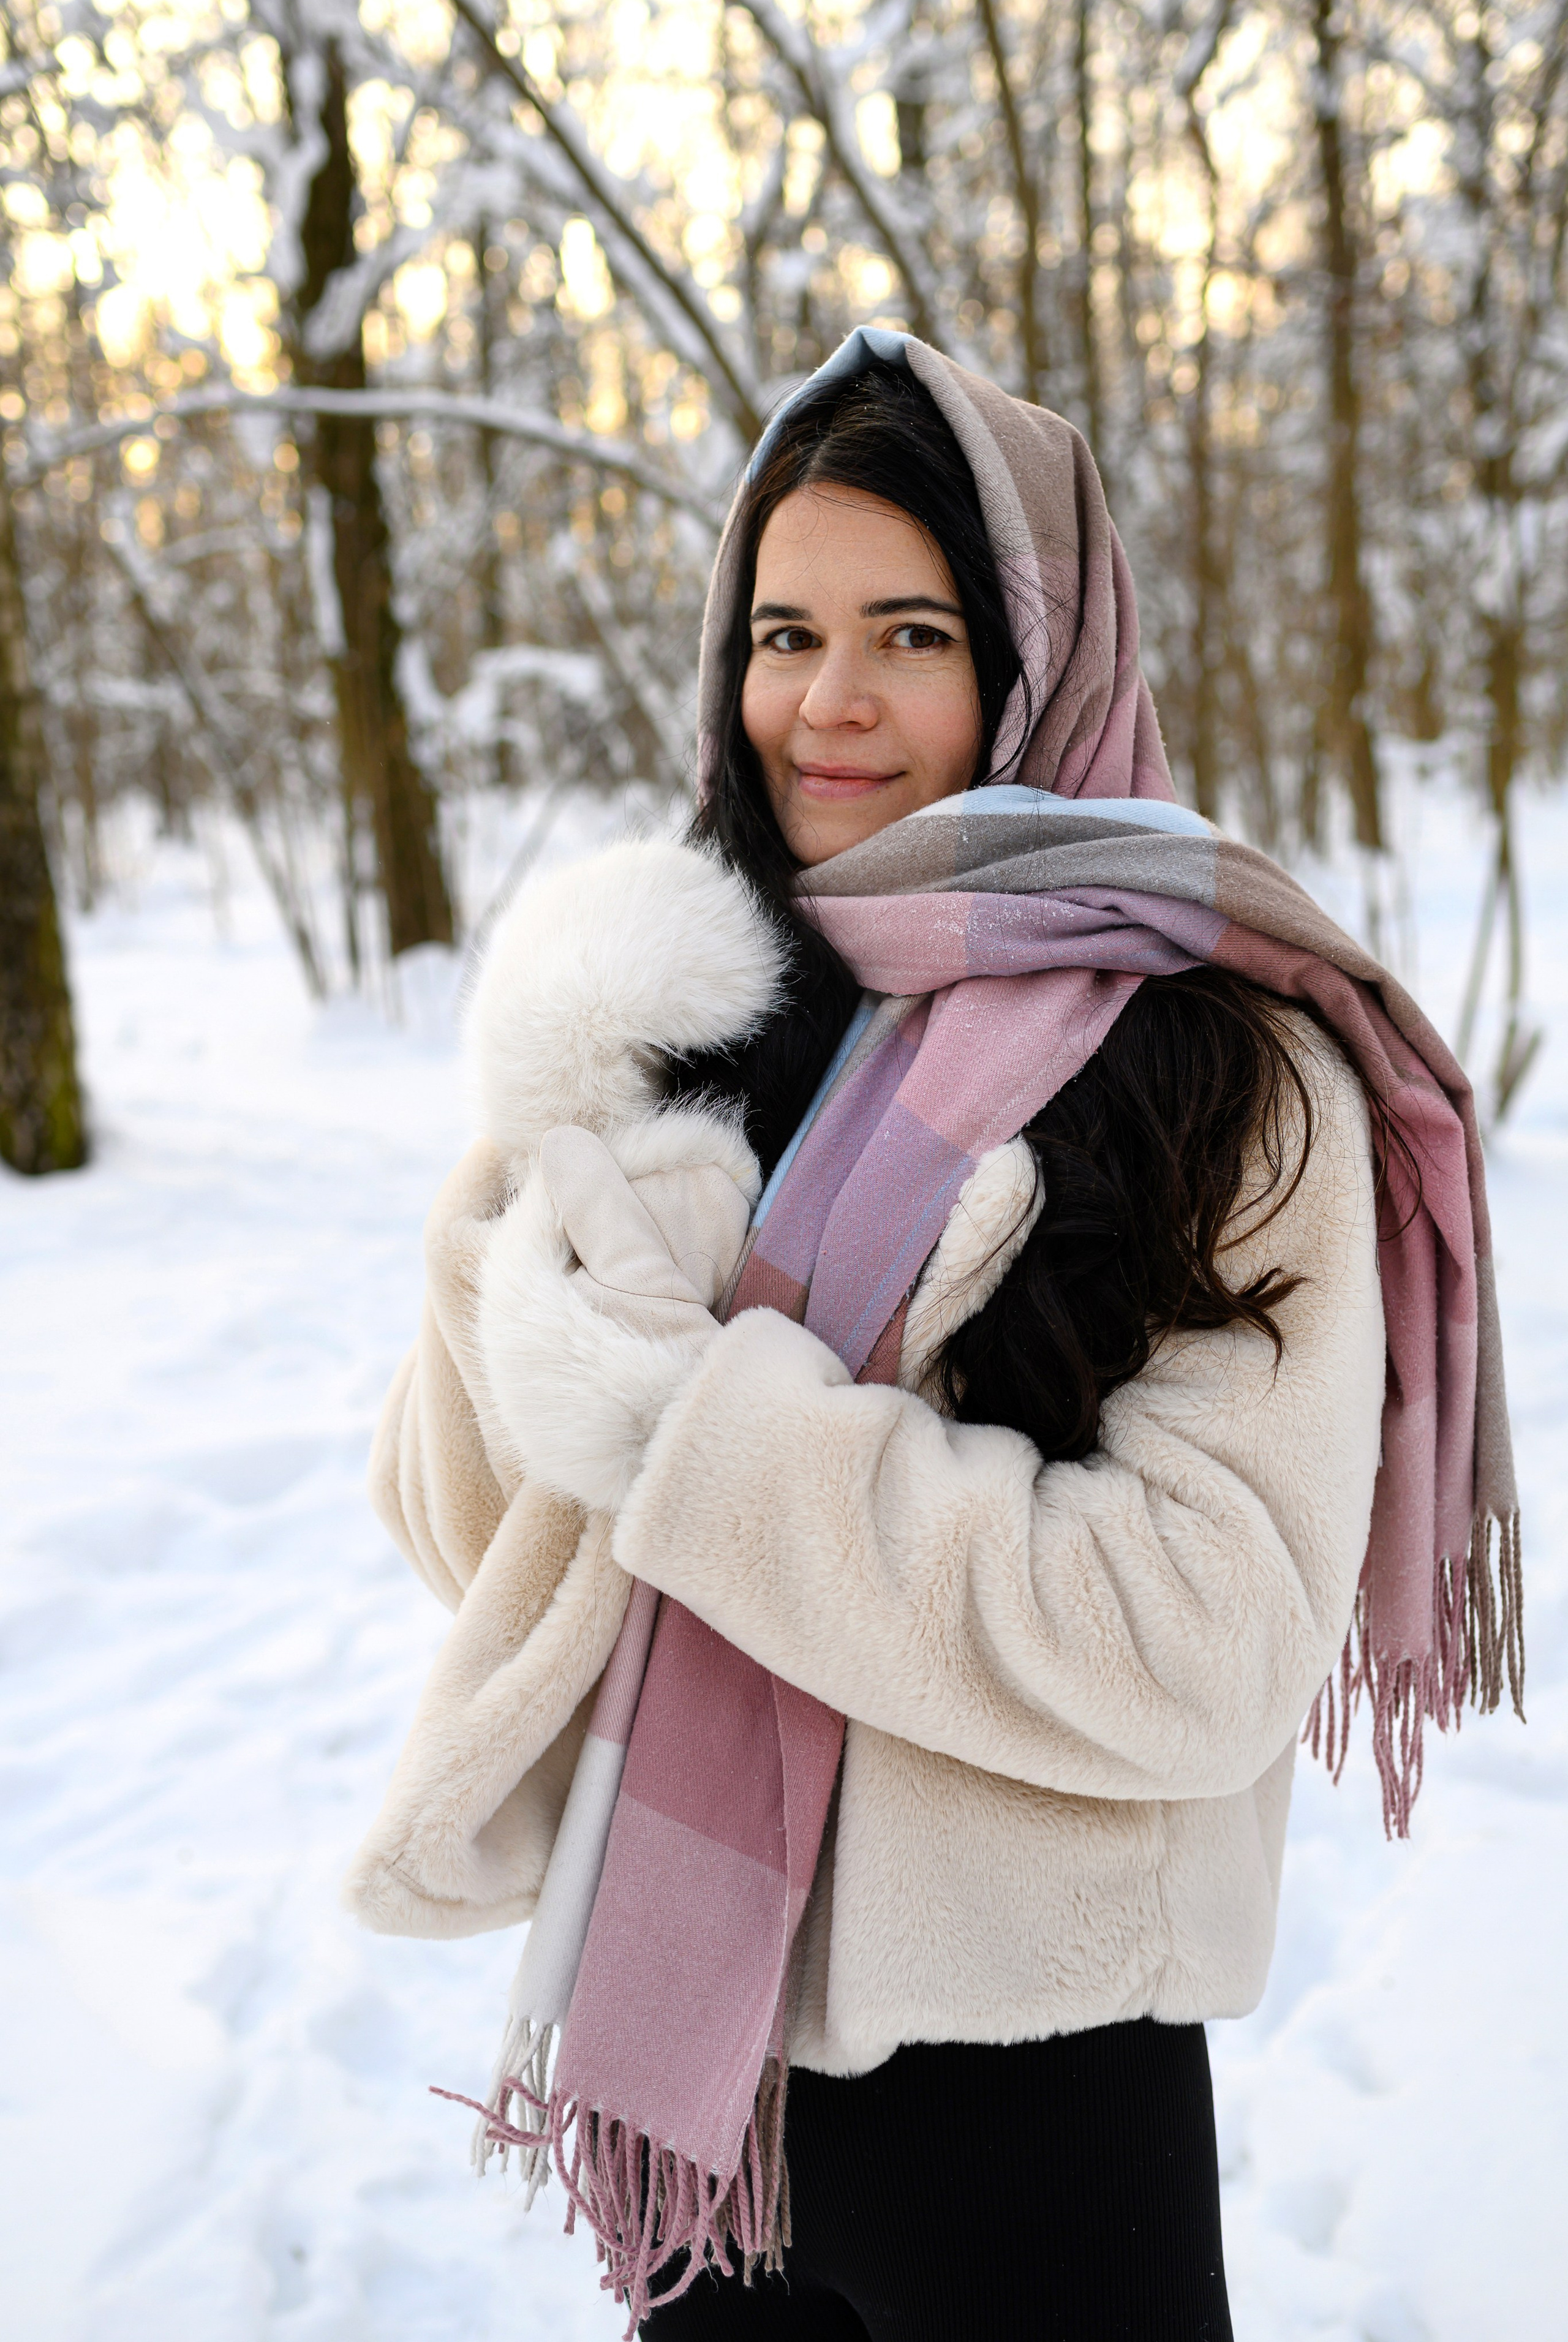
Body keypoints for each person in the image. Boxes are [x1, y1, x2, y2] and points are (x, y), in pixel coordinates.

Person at [346, 331, 1519, 2342]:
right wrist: (522, 1199)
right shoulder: (698, 1015)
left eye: (911, 630)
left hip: (1043, 2087)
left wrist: (708, 1440)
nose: (831, 701)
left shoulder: (1226, 1070)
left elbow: (1206, 1637)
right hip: (703, 2071)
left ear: (1037, 659)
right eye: (784, 631)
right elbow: (483, 1554)